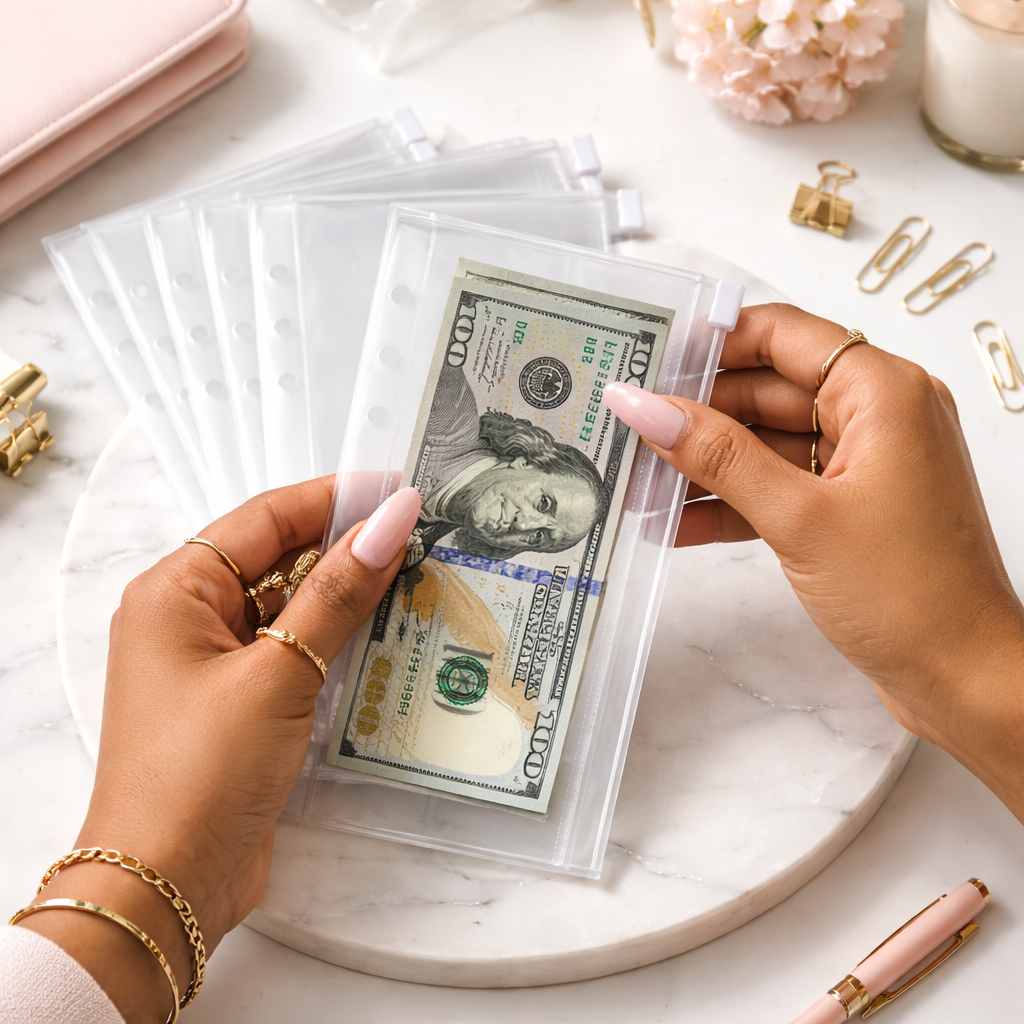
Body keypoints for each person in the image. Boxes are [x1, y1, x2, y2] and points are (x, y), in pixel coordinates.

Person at [1, 305, 1021, 1024]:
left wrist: (966, 669)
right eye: (543, 501)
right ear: (530, 457)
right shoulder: (439, 415)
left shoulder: (473, 614)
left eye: (545, 532)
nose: (526, 526)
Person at [404, 360, 609, 569]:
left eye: (539, 536)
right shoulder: (448, 410)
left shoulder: (419, 549)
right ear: (525, 462)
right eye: (543, 503)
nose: (522, 524)